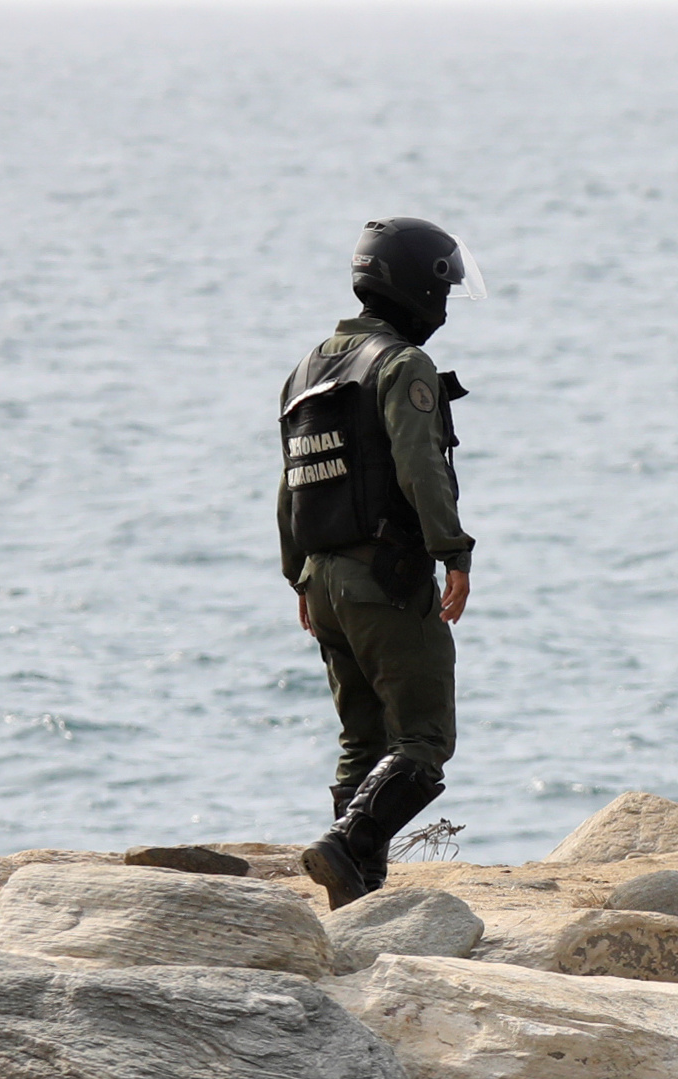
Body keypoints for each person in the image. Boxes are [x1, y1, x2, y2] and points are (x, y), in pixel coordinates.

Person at [280, 216, 472, 907]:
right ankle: (349, 845)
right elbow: (420, 466)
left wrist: (297, 577)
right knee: (423, 740)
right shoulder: (400, 364)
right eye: (442, 290)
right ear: (417, 288)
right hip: (384, 577)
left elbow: (290, 481)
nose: (445, 307)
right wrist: (453, 552)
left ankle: (357, 895)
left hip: (323, 581)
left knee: (363, 743)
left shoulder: (309, 365)